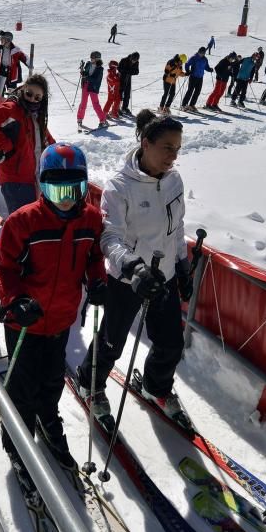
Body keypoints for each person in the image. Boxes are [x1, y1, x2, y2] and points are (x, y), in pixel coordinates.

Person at [0, 142, 108, 472]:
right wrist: (14, 300)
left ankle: (47, 417)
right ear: (43, 185)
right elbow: (1, 267)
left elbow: (94, 257)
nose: (67, 198)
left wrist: (97, 281)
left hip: (60, 318)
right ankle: (17, 439)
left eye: (75, 189)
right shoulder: (23, 222)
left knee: (54, 379)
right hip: (25, 320)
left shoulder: (91, 219)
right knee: (22, 385)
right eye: (57, 190)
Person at [77, 111, 192, 421]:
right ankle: (90, 383)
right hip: (127, 280)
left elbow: (176, 227)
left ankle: (156, 386)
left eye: (178, 148)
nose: (173, 155)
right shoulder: (120, 187)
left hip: (164, 276)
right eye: (167, 147)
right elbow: (110, 237)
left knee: (170, 343)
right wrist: (132, 266)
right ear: (146, 143)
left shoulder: (174, 180)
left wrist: (181, 264)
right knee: (111, 344)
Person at [0, 75, 56, 215]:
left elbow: (46, 137)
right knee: (23, 225)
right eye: (29, 94)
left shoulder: (37, 114)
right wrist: (5, 145)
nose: (32, 99)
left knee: (34, 221)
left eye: (37, 97)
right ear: (23, 89)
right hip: (15, 180)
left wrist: (58, 152)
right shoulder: (12, 108)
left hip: (34, 177)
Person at [0, 31, 29, 95]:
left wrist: (29, 63)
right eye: (0, 39)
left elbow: (24, 57)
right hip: (1, 72)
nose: (1, 41)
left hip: (12, 74)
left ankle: (11, 102)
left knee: (12, 92)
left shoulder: (16, 50)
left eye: (3, 39)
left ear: (8, 40)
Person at [77, 51, 108, 129]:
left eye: (93, 58)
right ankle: (79, 118)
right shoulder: (88, 64)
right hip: (85, 86)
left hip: (93, 87)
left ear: (97, 59)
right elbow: (85, 73)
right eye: (91, 57)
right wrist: (82, 71)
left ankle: (102, 120)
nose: (91, 59)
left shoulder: (100, 69)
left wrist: (86, 77)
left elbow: (96, 79)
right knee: (83, 103)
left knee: (95, 104)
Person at [181, 47, 212, 111]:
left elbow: (206, 67)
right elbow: (187, 64)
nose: (202, 54)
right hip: (193, 77)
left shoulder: (205, 59)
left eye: (203, 53)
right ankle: (184, 105)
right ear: (199, 52)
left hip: (200, 77)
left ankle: (192, 105)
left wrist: (209, 69)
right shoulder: (194, 57)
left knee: (197, 92)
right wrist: (188, 71)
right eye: (201, 53)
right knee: (190, 91)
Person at [118, 52, 140, 117]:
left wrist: (130, 72)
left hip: (128, 79)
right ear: (131, 57)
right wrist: (125, 71)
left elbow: (137, 72)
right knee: (120, 94)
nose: (134, 62)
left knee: (127, 94)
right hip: (121, 78)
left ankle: (124, 107)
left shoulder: (136, 62)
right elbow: (119, 68)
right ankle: (117, 108)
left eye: (135, 60)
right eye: (133, 60)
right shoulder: (124, 60)